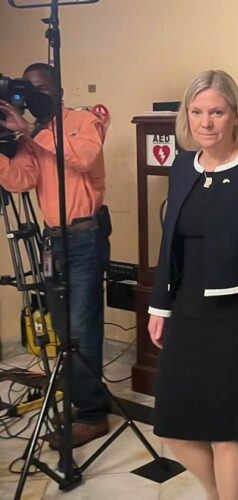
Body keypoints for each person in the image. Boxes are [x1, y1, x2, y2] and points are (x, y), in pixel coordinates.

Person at [147, 70, 238, 500]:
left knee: (229, 430)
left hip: (237, 318)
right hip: (187, 312)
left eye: (217, 112)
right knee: (172, 425)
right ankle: (219, 493)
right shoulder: (182, 166)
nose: (206, 122)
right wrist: (158, 306)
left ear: (234, 116)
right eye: (197, 112)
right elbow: (169, 239)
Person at [0, 62, 111, 448]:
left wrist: (32, 130)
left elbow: (82, 158)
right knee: (63, 330)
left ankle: (93, 415)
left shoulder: (82, 120)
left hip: (85, 237)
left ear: (59, 91)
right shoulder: (32, 136)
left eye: (41, 88)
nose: (33, 96)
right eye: (26, 90)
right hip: (53, 241)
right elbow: (20, 180)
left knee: (82, 328)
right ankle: (82, 401)